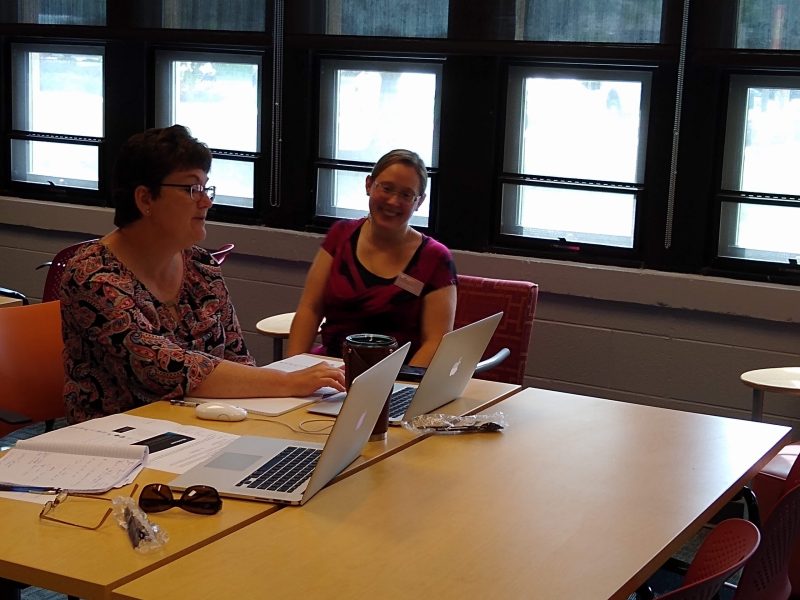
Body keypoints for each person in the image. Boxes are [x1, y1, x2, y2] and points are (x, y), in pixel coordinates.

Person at [60, 125, 344, 424]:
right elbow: (165, 369)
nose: (206, 202)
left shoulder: (200, 265)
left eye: (206, 188)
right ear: (145, 199)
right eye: (192, 189)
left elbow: (237, 358)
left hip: (204, 429)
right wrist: (288, 382)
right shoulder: (92, 275)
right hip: (118, 444)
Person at [287, 149, 457, 367]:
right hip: (331, 371)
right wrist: (291, 371)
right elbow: (310, 310)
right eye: (386, 188)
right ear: (369, 185)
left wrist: (400, 387)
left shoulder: (435, 258)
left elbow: (435, 342)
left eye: (406, 195)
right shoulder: (341, 236)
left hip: (399, 378)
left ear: (419, 202)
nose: (393, 201)